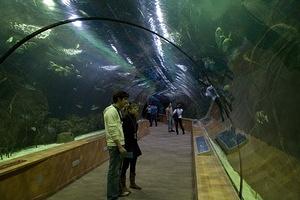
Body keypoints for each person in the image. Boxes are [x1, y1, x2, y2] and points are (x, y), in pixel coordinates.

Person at [103, 91, 130, 199]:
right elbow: (113, 130)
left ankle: (117, 191)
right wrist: (119, 146)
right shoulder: (111, 111)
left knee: (117, 170)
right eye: (125, 99)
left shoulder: (117, 110)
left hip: (118, 145)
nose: (126, 102)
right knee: (113, 172)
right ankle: (112, 196)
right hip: (115, 146)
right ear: (119, 99)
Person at [120, 103, 142, 194]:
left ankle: (132, 183)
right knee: (125, 165)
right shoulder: (125, 118)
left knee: (133, 163)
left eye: (137, 108)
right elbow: (125, 133)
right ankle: (123, 186)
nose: (136, 110)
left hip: (134, 145)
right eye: (135, 108)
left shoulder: (133, 118)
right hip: (128, 146)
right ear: (129, 109)